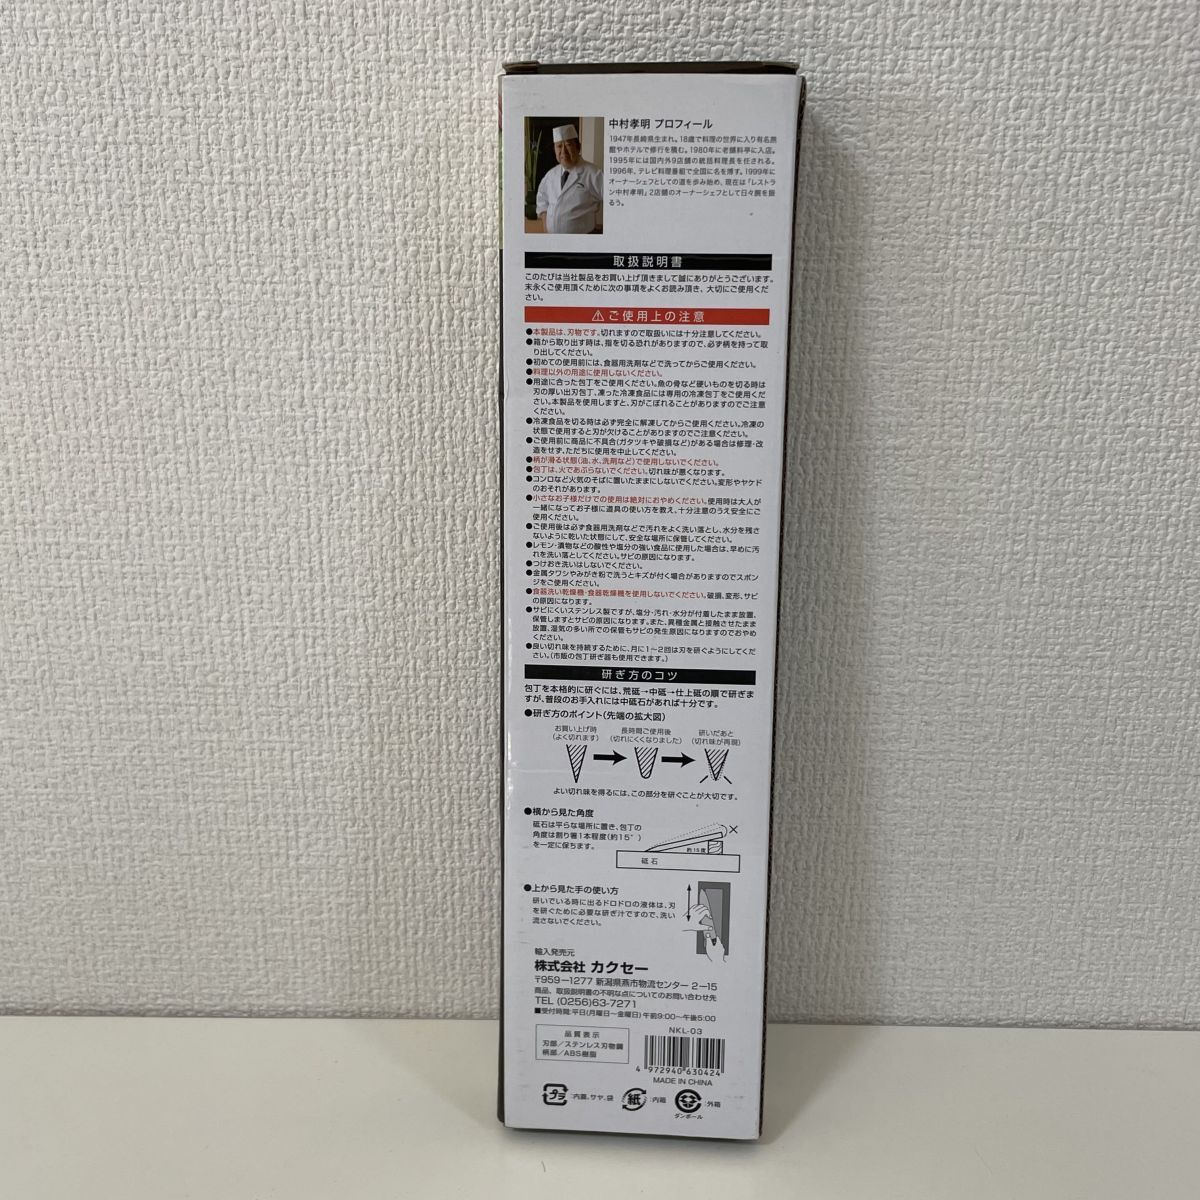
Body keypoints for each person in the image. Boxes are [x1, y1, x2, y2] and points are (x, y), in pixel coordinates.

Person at [536, 124, 603, 234]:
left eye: (568, 145)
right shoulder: (550, 175)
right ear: (554, 150)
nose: (563, 151)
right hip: (552, 240)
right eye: (559, 146)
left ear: (578, 147)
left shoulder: (593, 173)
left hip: (582, 240)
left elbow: (615, 201)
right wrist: (545, 228)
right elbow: (542, 201)